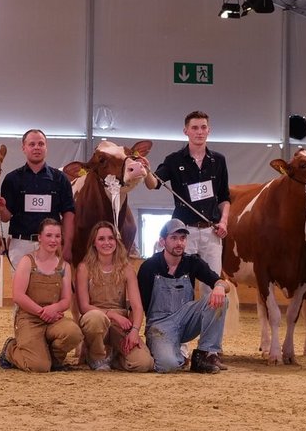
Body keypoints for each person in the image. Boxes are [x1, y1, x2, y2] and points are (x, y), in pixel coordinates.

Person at [137, 218, 229, 373]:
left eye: (182, 238)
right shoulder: (149, 267)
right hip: (160, 326)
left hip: (186, 320)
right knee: (168, 365)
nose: (179, 243)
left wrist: (219, 286)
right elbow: (138, 305)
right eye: (173, 238)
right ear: (162, 241)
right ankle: (166, 350)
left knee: (222, 299)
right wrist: (134, 333)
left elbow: (224, 283)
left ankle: (203, 355)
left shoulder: (192, 262)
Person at [0, 216, 83, 372]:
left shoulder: (64, 266)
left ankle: (54, 360)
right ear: (40, 238)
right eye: (49, 235)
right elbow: (18, 296)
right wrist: (41, 312)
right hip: (29, 319)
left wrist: (53, 309)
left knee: (74, 333)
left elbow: (66, 300)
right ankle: (10, 350)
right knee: (38, 367)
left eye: (57, 236)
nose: (53, 240)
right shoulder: (27, 261)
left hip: (53, 318)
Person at [153, 111, 230, 278]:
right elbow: (154, 183)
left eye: (203, 127)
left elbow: (224, 197)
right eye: (194, 128)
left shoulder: (219, 160)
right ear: (186, 131)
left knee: (213, 281)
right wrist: (143, 170)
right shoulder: (174, 160)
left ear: (209, 130)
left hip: (211, 231)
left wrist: (224, 222)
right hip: (184, 232)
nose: (199, 132)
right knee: (182, 281)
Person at [75, 220, 153, 372]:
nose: (107, 243)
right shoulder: (84, 268)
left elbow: (137, 306)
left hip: (120, 325)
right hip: (95, 321)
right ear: (94, 243)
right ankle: (96, 356)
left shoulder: (127, 268)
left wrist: (134, 331)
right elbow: (83, 306)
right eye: (101, 239)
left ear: (116, 241)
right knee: (95, 318)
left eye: (111, 238)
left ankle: (115, 356)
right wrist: (112, 315)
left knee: (144, 363)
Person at [0, 128, 75, 268]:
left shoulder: (60, 179)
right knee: (21, 282)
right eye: (32, 144)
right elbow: (5, 217)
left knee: (50, 282)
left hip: (51, 244)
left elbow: (69, 213)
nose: (37, 148)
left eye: (41, 144)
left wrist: (68, 245)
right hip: (21, 245)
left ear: (46, 147)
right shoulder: (11, 179)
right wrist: (2, 208)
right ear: (24, 148)